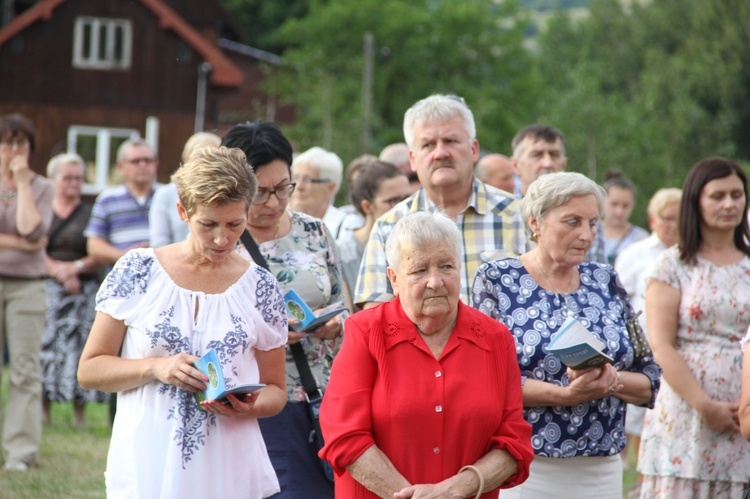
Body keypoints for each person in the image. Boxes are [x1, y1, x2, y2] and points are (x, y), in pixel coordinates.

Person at [77, 146, 288, 498]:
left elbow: (276, 390)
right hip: (149, 461)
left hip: (228, 465)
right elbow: (89, 371)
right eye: (208, 224)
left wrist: (247, 406)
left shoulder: (261, 286)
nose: (223, 239)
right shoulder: (137, 270)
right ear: (182, 212)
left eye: (235, 224)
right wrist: (156, 367)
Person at [471, 171, 661, 498]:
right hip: (523, 462)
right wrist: (565, 395)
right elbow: (485, 380)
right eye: (572, 222)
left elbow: (649, 377)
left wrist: (609, 380)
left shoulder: (605, 279)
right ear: (535, 223)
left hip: (601, 466)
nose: (586, 234)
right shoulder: (497, 280)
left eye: (593, 223)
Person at [319, 211, 534, 498]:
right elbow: (344, 436)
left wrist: (456, 489)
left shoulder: (495, 339)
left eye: (446, 266)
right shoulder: (365, 332)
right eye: (419, 270)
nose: (435, 281)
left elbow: (514, 442)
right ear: (394, 279)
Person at [222, 121, 347, 497]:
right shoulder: (218, 239)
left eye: (284, 188)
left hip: (321, 399)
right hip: (251, 401)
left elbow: (345, 304)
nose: (275, 203)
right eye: (260, 193)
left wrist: (336, 324)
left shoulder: (315, 232)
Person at [639, 157, 750, 498]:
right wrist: (704, 405)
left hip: (744, 412)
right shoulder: (673, 264)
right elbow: (661, 346)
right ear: (696, 202)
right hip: (686, 409)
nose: (729, 204)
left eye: (737, 194)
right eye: (718, 196)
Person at [355, 94, 527, 309]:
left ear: (474, 150)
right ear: (412, 159)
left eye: (450, 141)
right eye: (427, 144)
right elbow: (376, 316)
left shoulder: (519, 216)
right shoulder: (388, 226)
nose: (440, 153)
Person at [613, 187, 681, 489]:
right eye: (667, 219)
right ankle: (639, 482)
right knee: (641, 421)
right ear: (653, 220)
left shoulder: (692, 254)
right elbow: (618, 302)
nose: (673, 226)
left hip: (682, 348)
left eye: (679, 219)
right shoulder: (635, 254)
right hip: (645, 346)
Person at [0, 113, 54, 471]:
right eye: (8, 142)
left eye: (21, 142)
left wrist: (20, 180)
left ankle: (20, 454)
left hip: (27, 288)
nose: (14, 149)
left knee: (24, 370)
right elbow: (29, 242)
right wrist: (23, 244)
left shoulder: (42, 187)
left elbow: (33, 231)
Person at [41, 153, 105, 428]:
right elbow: (34, 247)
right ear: (53, 180)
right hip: (47, 286)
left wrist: (74, 268)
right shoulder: (41, 209)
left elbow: (98, 251)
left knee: (81, 347)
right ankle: (44, 409)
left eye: (78, 178)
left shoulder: (91, 213)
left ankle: (80, 413)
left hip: (84, 288)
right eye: (67, 178)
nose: (73, 183)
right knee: (46, 346)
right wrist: (57, 270)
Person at [510, 124, 608, 264]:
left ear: (563, 164)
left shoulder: (586, 216)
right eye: (537, 155)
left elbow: (594, 276)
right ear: (515, 165)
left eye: (554, 155)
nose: (547, 163)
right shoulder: (499, 213)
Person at [336, 160, 412, 311]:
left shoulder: (415, 244)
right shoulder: (342, 253)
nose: (404, 208)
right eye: (393, 201)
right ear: (367, 206)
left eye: (407, 199)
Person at [85, 138, 160, 266]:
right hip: (123, 277)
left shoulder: (169, 196)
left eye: (147, 160)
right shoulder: (107, 199)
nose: (143, 165)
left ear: (156, 164)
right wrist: (127, 257)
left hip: (164, 275)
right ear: (120, 167)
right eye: (135, 161)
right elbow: (94, 245)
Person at [149, 131, 221, 248]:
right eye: (199, 158)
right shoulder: (166, 194)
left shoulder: (228, 195)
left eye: (212, 159)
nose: (205, 165)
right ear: (186, 159)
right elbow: (159, 243)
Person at [289, 146, 359, 239]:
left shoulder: (347, 227)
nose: (299, 186)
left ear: (330, 188)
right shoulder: (279, 221)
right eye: (296, 178)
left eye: (307, 180)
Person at [602, 173, 649, 265]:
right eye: (614, 204)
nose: (619, 212)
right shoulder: (589, 233)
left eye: (625, 206)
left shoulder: (641, 238)